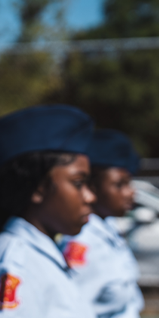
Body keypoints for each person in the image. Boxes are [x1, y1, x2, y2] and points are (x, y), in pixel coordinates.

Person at [0, 105, 97, 318]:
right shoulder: (17, 265)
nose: (90, 197)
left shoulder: (37, 257)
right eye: (78, 183)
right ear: (38, 188)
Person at [61, 129, 144, 318]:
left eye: (129, 183)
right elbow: (72, 309)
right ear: (92, 187)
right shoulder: (83, 241)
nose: (131, 192)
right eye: (119, 185)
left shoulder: (109, 230)